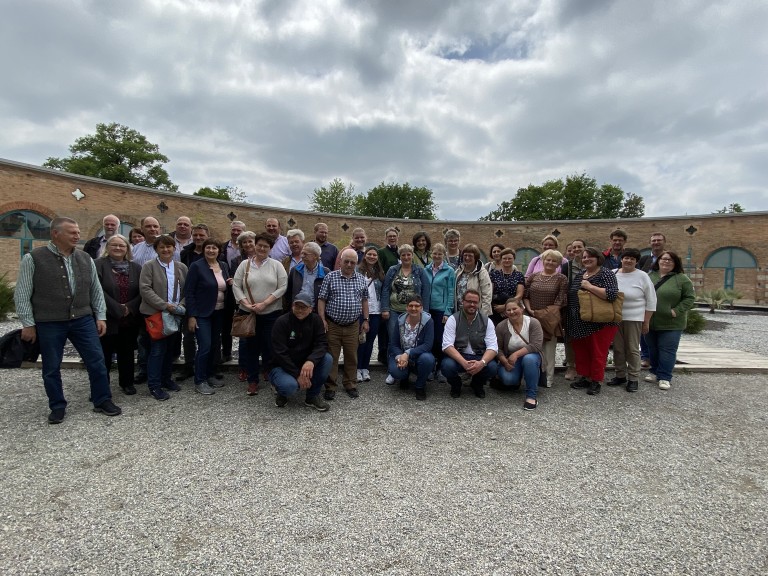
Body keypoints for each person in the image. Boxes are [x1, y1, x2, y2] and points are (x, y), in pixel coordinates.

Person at [14, 217, 122, 423]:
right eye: (72, 232)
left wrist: (100, 316)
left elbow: (95, 290)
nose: (77, 235)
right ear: (55, 234)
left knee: (97, 361)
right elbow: (22, 294)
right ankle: (57, 405)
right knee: (51, 366)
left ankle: (102, 399)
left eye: (78, 232)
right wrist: (28, 323)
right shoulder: (33, 258)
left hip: (82, 319)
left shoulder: (85, 258)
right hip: (49, 321)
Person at [232, 232, 288, 396]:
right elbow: (236, 285)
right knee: (251, 348)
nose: (262, 248)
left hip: (271, 313)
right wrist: (246, 303)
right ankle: (252, 380)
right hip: (249, 313)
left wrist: (265, 303)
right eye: (260, 245)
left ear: (270, 248)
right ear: (254, 245)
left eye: (266, 246)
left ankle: (270, 374)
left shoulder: (276, 265)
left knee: (270, 347)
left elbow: (282, 287)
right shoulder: (244, 265)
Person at [139, 235, 188, 401]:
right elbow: (145, 289)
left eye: (169, 247)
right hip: (156, 313)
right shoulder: (149, 266)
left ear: (174, 248)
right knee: (157, 350)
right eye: (162, 247)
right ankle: (154, 385)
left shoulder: (181, 267)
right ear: (156, 249)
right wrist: (164, 305)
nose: (166, 250)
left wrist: (180, 305)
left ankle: (167, 379)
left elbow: (186, 289)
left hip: (175, 314)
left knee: (170, 350)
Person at [567, 247, 620, 396]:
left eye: (590, 257)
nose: (586, 259)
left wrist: (590, 286)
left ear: (598, 258)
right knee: (582, 351)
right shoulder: (581, 275)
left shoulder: (606, 273)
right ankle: (585, 376)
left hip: (600, 322)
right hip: (579, 320)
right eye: (584, 257)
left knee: (598, 352)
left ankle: (596, 380)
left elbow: (611, 294)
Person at [318, 248, 369, 400]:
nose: (349, 264)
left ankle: (350, 384)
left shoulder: (361, 279)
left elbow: (365, 300)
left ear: (356, 263)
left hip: (353, 325)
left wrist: (366, 319)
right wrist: (322, 319)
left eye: (352, 262)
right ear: (340, 261)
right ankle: (330, 386)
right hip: (332, 324)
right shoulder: (330, 277)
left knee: (351, 356)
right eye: (346, 261)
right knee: (331, 357)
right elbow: (322, 299)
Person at [95, 234, 142, 395]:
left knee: (127, 352)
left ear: (127, 249)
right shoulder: (98, 265)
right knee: (104, 354)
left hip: (129, 319)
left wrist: (129, 307)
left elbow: (142, 291)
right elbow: (97, 290)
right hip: (107, 318)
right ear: (107, 247)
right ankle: (101, 386)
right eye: (114, 245)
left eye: (122, 246)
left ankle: (127, 382)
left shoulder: (135, 267)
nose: (118, 248)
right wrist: (117, 308)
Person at [268, 293, 332, 411]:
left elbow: (322, 344)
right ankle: (281, 391)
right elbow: (280, 354)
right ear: (292, 306)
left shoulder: (316, 320)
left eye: (304, 307)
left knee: (327, 359)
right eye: (297, 306)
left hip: (305, 363)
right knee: (290, 386)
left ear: (311, 309)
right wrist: (297, 374)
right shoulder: (281, 322)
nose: (300, 310)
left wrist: (311, 361)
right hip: (281, 366)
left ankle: (312, 396)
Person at [185, 239, 231, 395]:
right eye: (208, 248)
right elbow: (189, 292)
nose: (211, 250)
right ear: (204, 250)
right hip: (202, 313)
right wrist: (192, 315)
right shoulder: (196, 267)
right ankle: (200, 380)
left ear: (219, 251)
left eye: (214, 248)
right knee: (204, 346)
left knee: (214, 345)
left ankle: (210, 374)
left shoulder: (223, 266)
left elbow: (224, 286)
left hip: (219, 312)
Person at [381, 244, 431, 385]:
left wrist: (424, 311)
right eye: (403, 254)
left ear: (412, 255)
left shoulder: (419, 271)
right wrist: (385, 308)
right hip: (394, 311)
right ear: (400, 256)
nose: (406, 257)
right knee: (394, 340)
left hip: (414, 311)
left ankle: (412, 365)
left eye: (408, 254)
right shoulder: (393, 270)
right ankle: (393, 370)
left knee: (414, 338)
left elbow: (425, 291)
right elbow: (385, 289)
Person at [608, 248, 656, 392]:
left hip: (634, 319)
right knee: (618, 348)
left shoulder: (642, 276)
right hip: (615, 318)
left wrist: (646, 321)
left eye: (632, 259)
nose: (628, 261)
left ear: (636, 261)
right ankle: (620, 374)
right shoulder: (613, 273)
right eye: (626, 258)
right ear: (621, 259)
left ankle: (633, 378)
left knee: (632, 349)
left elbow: (651, 300)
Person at [645, 251, 695, 391]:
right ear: (658, 261)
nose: (666, 262)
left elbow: (689, 298)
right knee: (652, 349)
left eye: (670, 260)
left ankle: (665, 376)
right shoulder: (649, 276)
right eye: (663, 259)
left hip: (671, 323)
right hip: (650, 320)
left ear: (675, 263)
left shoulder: (682, 279)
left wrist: (676, 311)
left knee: (667, 350)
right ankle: (654, 371)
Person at [441, 289, 498, 398]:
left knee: (492, 367)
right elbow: (447, 345)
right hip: (459, 356)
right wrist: (463, 362)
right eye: (469, 301)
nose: (472, 304)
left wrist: (482, 362)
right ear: (463, 302)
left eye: (475, 302)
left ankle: (477, 384)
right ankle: (456, 384)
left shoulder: (487, 321)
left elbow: (493, 347)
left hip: (478, 356)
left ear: (479, 304)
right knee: (447, 366)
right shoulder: (453, 319)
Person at [523, 249, 567, 387]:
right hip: (532, 316)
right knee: (533, 348)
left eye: (554, 260)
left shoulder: (561, 279)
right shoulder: (533, 276)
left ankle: (548, 379)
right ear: (543, 260)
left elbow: (560, 301)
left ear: (558, 263)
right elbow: (526, 295)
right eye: (548, 259)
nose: (550, 262)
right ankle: (533, 376)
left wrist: (541, 314)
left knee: (549, 350)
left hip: (550, 320)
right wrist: (530, 310)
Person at [494, 299, 545, 410]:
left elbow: (536, 345)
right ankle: (515, 378)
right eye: (509, 310)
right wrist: (504, 361)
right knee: (508, 380)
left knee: (529, 359)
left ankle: (531, 396)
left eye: (514, 309)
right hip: (511, 359)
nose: (512, 312)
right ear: (505, 312)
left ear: (522, 308)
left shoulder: (533, 323)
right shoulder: (501, 326)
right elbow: (497, 348)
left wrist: (516, 354)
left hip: (531, 356)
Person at [176, 223, 211, 382]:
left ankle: (209, 367)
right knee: (188, 335)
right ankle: (189, 366)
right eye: (196, 235)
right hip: (189, 297)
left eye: (201, 235)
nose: (198, 238)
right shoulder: (185, 253)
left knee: (209, 338)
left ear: (207, 237)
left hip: (207, 300)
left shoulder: (212, 252)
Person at [387, 294, 435, 401]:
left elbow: (428, 345)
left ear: (421, 307)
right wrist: (400, 356)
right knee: (396, 372)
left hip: (418, 355)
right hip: (402, 355)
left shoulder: (428, 322)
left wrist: (407, 354)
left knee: (427, 360)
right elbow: (393, 344)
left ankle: (420, 386)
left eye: (417, 306)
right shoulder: (400, 321)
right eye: (411, 305)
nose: (414, 308)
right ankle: (404, 376)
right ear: (406, 307)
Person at [424, 243, 456, 382]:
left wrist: (448, 311)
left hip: (441, 310)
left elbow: (450, 292)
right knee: (428, 339)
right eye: (435, 253)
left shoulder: (449, 271)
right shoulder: (425, 270)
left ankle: (440, 369)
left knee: (439, 339)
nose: (437, 256)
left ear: (444, 255)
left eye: (440, 254)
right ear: (431, 254)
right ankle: (430, 367)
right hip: (427, 309)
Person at [637, 232, 667, 367]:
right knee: (644, 327)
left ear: (664, 242)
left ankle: (661, 358)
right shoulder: (644, 259)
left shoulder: (669, 258)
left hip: (662, 298)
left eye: (659, 240)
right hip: (644, 298)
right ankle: (646, 356)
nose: (656, 242)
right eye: (653, 240)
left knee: (661, 330)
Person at [219, 220, 246, 363]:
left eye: (239, 231)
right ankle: (227, 352)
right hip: (227, 290)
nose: (235, 233)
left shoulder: (246, 253)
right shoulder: (223, 247)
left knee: (245, 322)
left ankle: (245, 355)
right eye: (233, 230)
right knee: (226, 323)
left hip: (244, 291)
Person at [356, 246, 384, 383]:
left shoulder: (379, 272)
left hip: (376, 311)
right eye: (369, 254)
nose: (372, 256)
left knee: (371, 340)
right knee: (361, 340)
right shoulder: (358, 270)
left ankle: (365, 367)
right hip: (361, 310)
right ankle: (357, 367)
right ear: (365, 255)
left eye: (374, 255)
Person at [561, 239, 586, 380]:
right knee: (570, 337)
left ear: (584, 248)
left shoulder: (591, 263)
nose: (576, 249)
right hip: (572, 306)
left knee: (586, 337)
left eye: (579, 247)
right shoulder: (567, 266)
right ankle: (571, 366)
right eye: (574, 247)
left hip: (589, 305)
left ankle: (584, 366)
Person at [285, 241, 328, 310]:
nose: (302, 256)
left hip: (314, 311)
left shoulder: (325, 273)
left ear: (315, 256)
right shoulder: (295, 270)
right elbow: (288, 292)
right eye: (302, 253)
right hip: (296, 309)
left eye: (305, 254)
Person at [489, 247, 525, 324]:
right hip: (496, 310)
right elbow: (490, 293)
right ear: (501, 259)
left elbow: (519, 295)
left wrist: (505, 307)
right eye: (504, 258)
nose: (507, 260)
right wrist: (497, 307)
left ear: (513, 259)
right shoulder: (493, 274)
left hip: (513, 310)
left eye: (509, 258)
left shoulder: (519, 275)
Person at [455, 244, 492, 316]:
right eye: (465, 255)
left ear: (476, 257)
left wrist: (482, 315)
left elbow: (487, 296)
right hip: (460, 312)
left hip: (476, 313)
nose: (467, 258)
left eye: (470, 256)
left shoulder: (482, 273)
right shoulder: (459, 271)